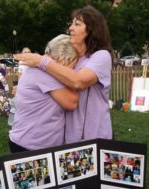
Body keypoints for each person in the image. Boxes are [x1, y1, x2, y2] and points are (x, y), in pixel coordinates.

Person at [14, 5, 113, 143]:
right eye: (71, 24)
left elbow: (79, 81)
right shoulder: (74, 60)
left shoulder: (101, 56)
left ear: (92, 30)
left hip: (95, 137)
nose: (70, 28)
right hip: (70, 141)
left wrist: (41, 61)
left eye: (77, 24)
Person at [9, 34, 79, 152]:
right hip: (30, 147)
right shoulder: (44, 74)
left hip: (29, 143)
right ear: (65, 59)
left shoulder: (40, 70)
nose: (74, 69)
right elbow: (72, 102)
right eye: (74, 63)